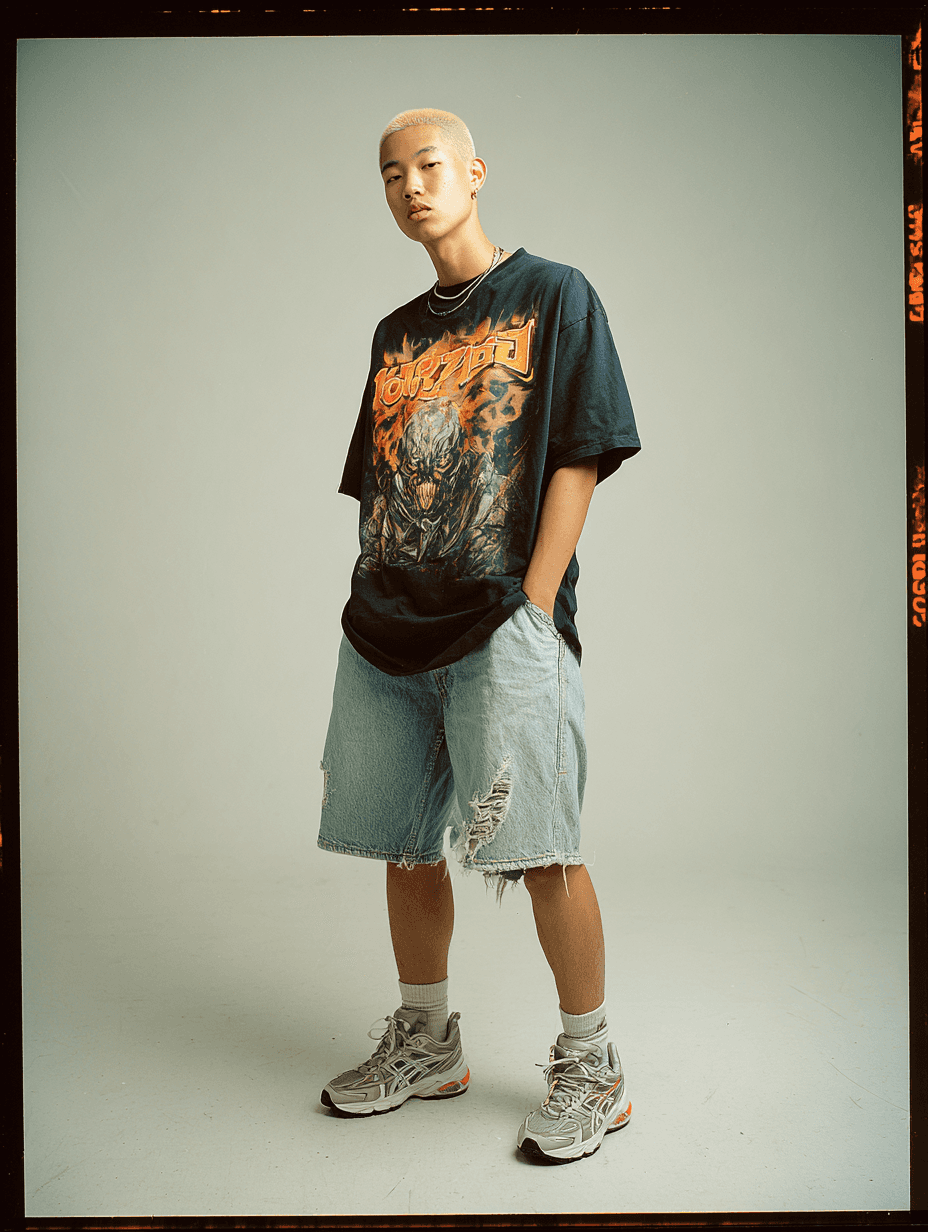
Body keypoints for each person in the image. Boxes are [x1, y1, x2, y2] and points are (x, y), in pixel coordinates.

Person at [317, 108, 641, 1164]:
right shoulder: (395, 333)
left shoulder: (554, 294)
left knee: (542, 849)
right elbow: (378, 482)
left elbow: (578, 453)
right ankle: (427, 1040)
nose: (410, 187)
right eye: (390, 174)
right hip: (385, 629)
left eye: (428, 165)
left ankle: (592, 1061)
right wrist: (371, 593)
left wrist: (535, 601)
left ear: (474, 172)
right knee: (405, 847)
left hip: (503, 621)